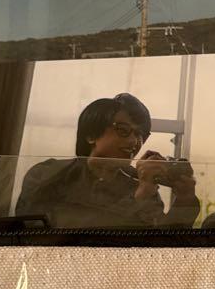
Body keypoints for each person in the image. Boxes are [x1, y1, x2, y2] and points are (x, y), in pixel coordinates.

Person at [16, 92, 200, 228]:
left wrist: (184, 200)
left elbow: (161, 245)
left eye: (141, 134)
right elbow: (48, 232)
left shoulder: (140, 184)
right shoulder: (47, 174)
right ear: (91, 135)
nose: (134, 142)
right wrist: (139, 197)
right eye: (123, 130)